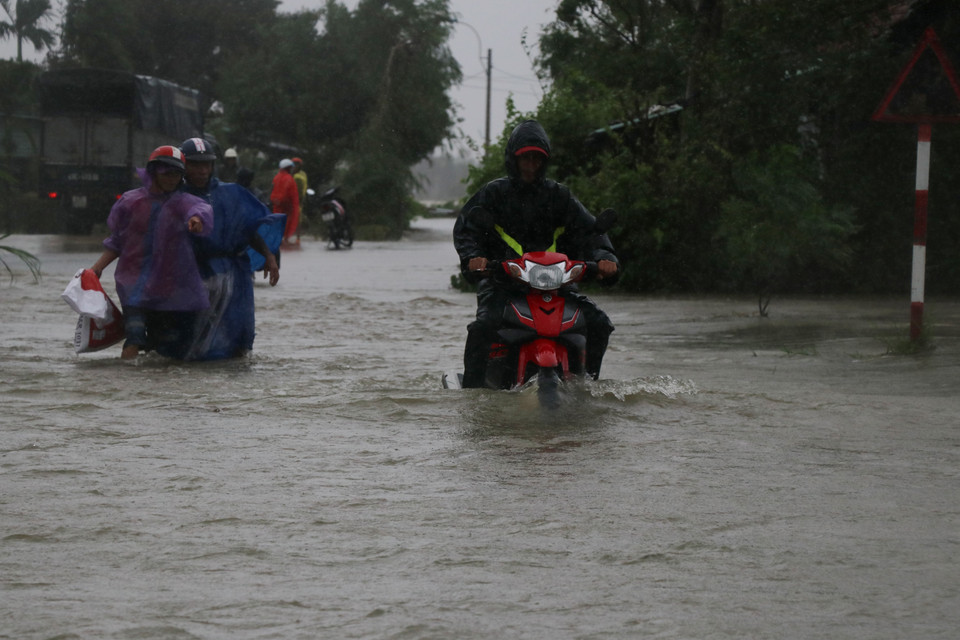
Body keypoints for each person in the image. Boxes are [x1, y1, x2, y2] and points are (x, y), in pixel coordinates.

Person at [453, 119, 620, 388]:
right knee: (483, 327)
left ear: (544, 162)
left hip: (557, 286)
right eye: (525, 159)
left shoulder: (559, 196)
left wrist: (606, 258)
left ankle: (588, 386)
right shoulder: (493, 194)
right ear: (513, 159)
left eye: (536, 159)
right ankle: (473, 395)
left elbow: (591, 230)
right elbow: (467, 229)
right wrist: (475, 258)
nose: (531, 166)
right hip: (503, 284)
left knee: (599, 323)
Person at [90, 145, 214, 360]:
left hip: (169, 288)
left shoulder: (182, 203)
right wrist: (97, 268)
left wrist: (196, 220)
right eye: (166, 173)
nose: (171, 179)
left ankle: (152, 387)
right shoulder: (130, 202)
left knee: (162, 348)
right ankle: (126, 386)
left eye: (176, 174)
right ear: (153, 171)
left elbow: (200, 210)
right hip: (133, 284)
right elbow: (117, 241)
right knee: (134, 337)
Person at [179, 137, 284, 360]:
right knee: (192, 330)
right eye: (195, 164)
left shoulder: (231, 193)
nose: (202, 170)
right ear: (183, 166)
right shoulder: (174, 196)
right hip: (194, 272)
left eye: (206, 164)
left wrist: (269, 256)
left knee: (240, 329)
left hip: (234, 272)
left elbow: (247, 229)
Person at [271, 158, 300, 247]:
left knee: (278, 224)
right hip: (286, 207)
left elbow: (273, 192)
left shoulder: (276, 177)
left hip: (277, 206)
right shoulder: (289, 179)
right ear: (287, 168)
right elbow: (291, 194)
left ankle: (280, 240)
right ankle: (284, 240)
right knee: (287, 223)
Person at [291, 157, 308, 244]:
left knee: (298, 219)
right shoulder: (298, 174)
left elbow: (301, 188)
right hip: (296, 200)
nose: (293, 167)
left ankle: (297, 238)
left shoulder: (298, 176)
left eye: (295, 165)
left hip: (298, 200)